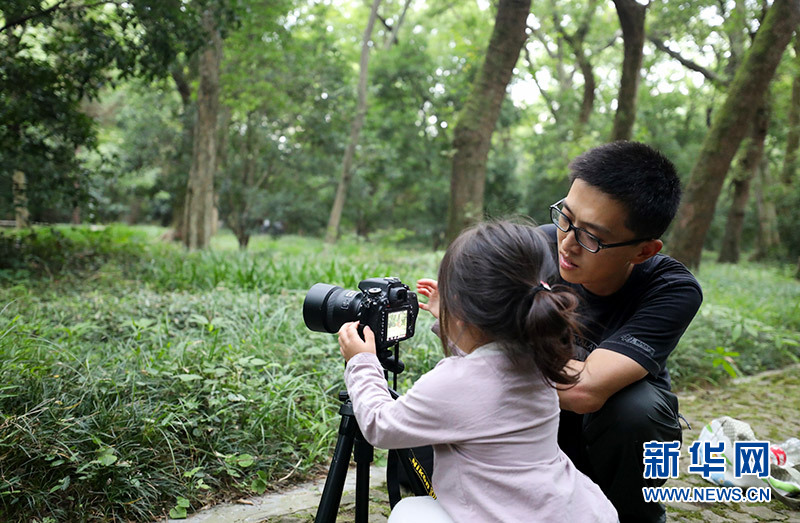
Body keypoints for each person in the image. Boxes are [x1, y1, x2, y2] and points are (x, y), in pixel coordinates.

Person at [338, 221, 617, 522]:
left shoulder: (453, 383)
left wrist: (362, 363)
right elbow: (487, 367)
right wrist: (450, 316)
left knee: (408, 512)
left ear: (460, 312)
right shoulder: (540, 355)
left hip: (500, 516)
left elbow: (380, 425)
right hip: (570, 509)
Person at [544, 141, 703, 523]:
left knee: (637, 412)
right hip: (540, 427)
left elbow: (585, 390)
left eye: (592, 237)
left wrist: (500, 349)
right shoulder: (536, 249)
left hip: (612, 439)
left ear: (644, 251)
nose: (567, 243)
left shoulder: (671, 289)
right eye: (565, 218)